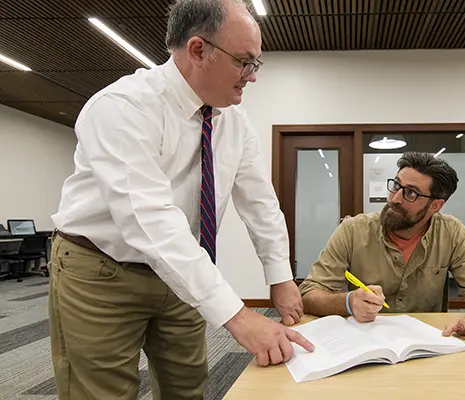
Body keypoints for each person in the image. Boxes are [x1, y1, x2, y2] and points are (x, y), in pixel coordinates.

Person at [48, 0, 313, 399]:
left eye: (256, 63)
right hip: (102, 271)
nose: (252, 77)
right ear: (197, 50)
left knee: (187, 388)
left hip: (184, 271)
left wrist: (279, 276)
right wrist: (238, 317)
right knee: (102, 393)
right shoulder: (122, 109)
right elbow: (149, 222)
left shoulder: (234, 123)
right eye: (245, 61)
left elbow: (260, 203)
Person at [299, 152, 465, 349]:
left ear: (435, 206)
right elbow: (309, 293)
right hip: (363, 345)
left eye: (411, 193)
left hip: (426, 345)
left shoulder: (451, 233)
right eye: (396, 186)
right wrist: (348, 302)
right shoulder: (353, 230)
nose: (395, 199)